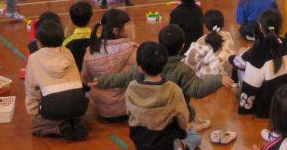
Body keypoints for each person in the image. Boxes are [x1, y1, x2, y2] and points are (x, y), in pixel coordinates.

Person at [96, 23, 232, 131]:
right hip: (172, 116)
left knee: (189, 110)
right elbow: (197, 90)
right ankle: (189, 125)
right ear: (182, 46)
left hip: (147, 112)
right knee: (190, 116)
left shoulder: (146, 63)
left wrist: (101, 81)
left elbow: (124, 78)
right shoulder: (183, 69)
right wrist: (218, 79)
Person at [124, 41, 201, 150]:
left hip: (141, 145)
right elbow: (183, 118)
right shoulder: (173, 89)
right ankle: (182, 145)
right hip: (166, 146)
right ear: (163, 65)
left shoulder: (131, 87)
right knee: (195, 137)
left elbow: (129, 112)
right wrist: (184, 130)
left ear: (140, 68)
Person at [25, 19, 89, 141]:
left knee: (37, 126)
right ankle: (75, 122)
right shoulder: (67, 52)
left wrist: (34, 114)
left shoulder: (34, 58)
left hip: (55, 107)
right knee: (66, 106)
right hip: (79, 105)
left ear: (39, 42)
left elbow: (31, 89)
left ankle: (59, 128)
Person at [237, 10, 287, 118]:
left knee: (238, 85)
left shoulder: (258, 51)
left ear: (260, 27)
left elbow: (250, 86)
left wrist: (243, 108)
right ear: (280, 27)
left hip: (268, 109)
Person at [80, 8, 137, 120]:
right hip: (126, 106)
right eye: (128, 24)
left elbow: (86, 80)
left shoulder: (91, 50)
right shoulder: (133, 49)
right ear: (116, 30)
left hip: (99, 107)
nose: (132, 26)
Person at [183, 9, 236, 79]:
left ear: (206, 25)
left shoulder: (203, 40)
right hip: (227, 75)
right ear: (223, 24)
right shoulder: (228, 35)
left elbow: (190, 62)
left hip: (209, 78)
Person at [62, 0, 94, 73]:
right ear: (91, 18)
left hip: (75, 75)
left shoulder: (66, 42)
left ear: (71, 20)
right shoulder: (99, 38)